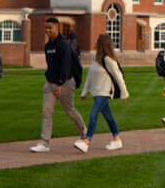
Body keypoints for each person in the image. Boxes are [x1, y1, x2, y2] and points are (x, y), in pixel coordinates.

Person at [30, 18, 87, 153]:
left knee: (69, 110)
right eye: (46, 28)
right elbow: (51, 66)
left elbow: (65, 66)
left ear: (57, 27)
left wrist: (59, 84)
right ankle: (44, 143)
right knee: (46, 112)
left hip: (65, 82)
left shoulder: (63, 45)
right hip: (50, 82)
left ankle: (85, 132)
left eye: (50, 28)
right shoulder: (48, 46)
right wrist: (51, 82)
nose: (48, 31)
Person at [75, 33, 129, 153]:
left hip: (104, 92)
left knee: (93, 113)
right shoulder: (95, 57)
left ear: (101, 44)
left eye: (97, 41)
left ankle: (86, 141)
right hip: (96, 92)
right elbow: (90, 74)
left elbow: (118, 76)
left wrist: (124, 93)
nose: (94, 43)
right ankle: (117, 139)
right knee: (108, 116)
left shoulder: (108, 60)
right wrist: (84, 92)